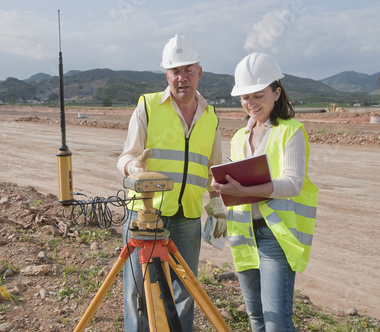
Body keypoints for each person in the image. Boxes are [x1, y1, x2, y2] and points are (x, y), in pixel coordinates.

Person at [117, 34, 226, 332]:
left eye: (188, 69)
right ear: (167, 74)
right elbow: (125, 156)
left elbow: (213, 167)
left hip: (188, 217)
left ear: (199, 72)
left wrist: (216, 203)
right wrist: (133, 166)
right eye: (175, 71)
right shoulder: (148, 106)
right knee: (139, 294)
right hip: (145, 217)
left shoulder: (211, 116)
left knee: (186, 292)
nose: (182, 78)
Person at [211, 52, 318, 332]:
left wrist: (243, 188)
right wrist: (224, 188)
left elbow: (293, 184)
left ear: (276, 92)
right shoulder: (238, 138)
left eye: (258, 95)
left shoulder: (291, 132)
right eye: (245, 97)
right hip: (243, 233)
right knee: (256, 318)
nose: (251, 103)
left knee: (276, 323)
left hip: (274, 237)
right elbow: (238, 188)